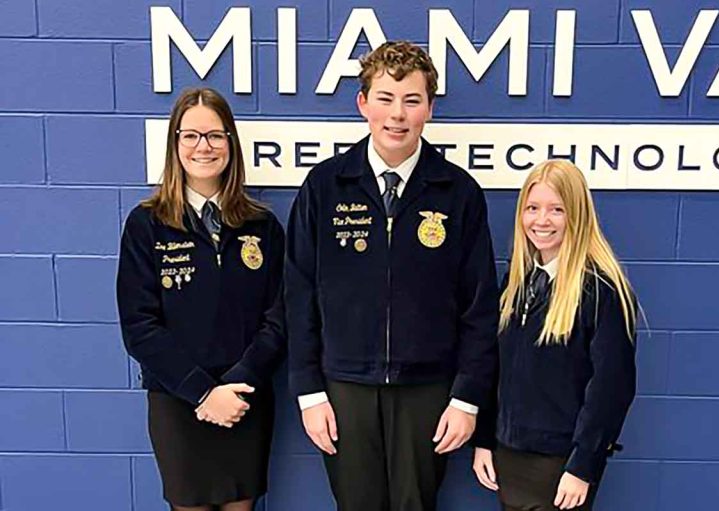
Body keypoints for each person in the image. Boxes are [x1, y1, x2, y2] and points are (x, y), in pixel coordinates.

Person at [284, 41, 498, 511]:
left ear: (429, 108)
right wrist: (308, 392)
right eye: (385, 98)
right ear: (363, 103)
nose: (397, 115)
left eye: (411, 100)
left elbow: (480, 305)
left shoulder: (458, 192)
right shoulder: (325, 186)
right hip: (343, 388)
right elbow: (297, 295)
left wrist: (466, 398)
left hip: (429, 390)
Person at [116, 87, 285, 511]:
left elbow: (281, 316)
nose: (203, 147)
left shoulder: (262, 226)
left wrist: (236, 384)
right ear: (175, 144)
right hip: (178, 401)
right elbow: (139, 327)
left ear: (231, 143)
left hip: (245, 398)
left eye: (215, 135)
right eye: (190, 135)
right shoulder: (147, 225)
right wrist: (204, 394)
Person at [472, 159, 637, 511]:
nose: (541, 220)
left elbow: (611, 388)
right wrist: (484, 439)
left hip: (560, 463)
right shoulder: (517, 285)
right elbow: (493, 368)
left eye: (556, 210)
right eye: (532, 208)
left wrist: (583, 466)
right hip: (509, 455)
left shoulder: (602, 290)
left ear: (577, 215)